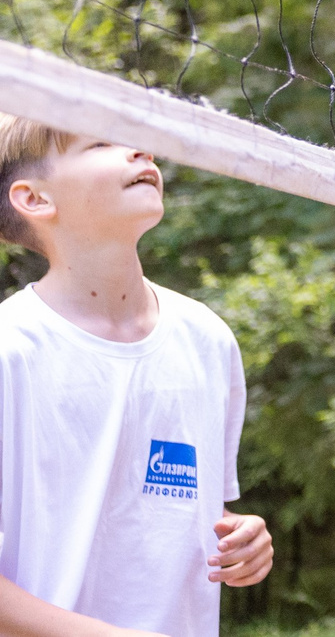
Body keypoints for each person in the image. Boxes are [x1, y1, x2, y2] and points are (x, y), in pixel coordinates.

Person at [0, 121, 272, 637]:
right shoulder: (9, 350)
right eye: (102, 141)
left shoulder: (208, 339)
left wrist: (245, 538)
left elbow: (180, 514)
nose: (141, 149)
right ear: (34, 198)